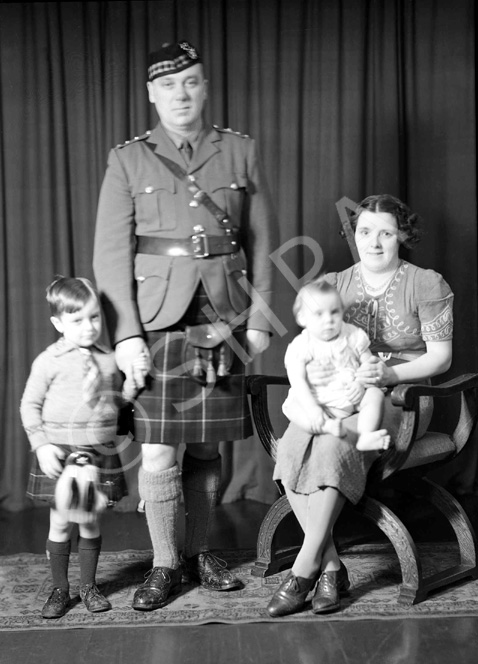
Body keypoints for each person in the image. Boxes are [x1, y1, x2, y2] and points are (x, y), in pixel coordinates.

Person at [93, 41, 277, 611]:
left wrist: (261, 317)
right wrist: (125, 335)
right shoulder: (128, 160)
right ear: (152, 93)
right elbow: (109, 254)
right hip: (156, 322)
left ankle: (198, 553)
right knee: (157, 452)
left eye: (191, 82)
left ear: (205, 87)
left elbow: (264, 240)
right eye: (169, 85)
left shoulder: (240, 151)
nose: (181, 94)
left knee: (204, 449)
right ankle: (166, 564)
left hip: (222, 318)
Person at [267, 194, 453, 618]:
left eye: (386, 232)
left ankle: (302, 569)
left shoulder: (426, 282)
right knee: (293, 443)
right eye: (365, 231)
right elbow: (310, 343)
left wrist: (388, 376)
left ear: (402, 235)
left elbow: (440, 358)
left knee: (334, 447)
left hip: (402, 396)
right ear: (353, 235)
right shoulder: (335, 282)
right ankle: (332, 567)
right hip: (334, 393)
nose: (374, 242)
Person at [20, 276, 145, 619]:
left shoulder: (109, 360)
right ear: (58, 323)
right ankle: (61, 589)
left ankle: (88, 586)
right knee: (60, 524)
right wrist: (41, 445)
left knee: (90, 522)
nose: (88, 327)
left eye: (94, 318)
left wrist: (132, 386)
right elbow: (29, 405)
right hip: (60, 452)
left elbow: (117, 404)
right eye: (77, 321)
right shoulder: (48, 361)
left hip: (99, 453)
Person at [284, 278, 390, 451]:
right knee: (294, 406)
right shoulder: (302, 345)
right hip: (318, 400)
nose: (328, 320)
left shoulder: (352, 335)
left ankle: (366, 435)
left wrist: (360, 383)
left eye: (334, 312)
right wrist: (312, 409)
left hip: (349, 396)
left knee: (375, 394)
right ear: (302, 318)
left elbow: (369, 364)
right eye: (319, 314)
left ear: (342, 312)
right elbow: (298, 380)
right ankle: (326, 426)